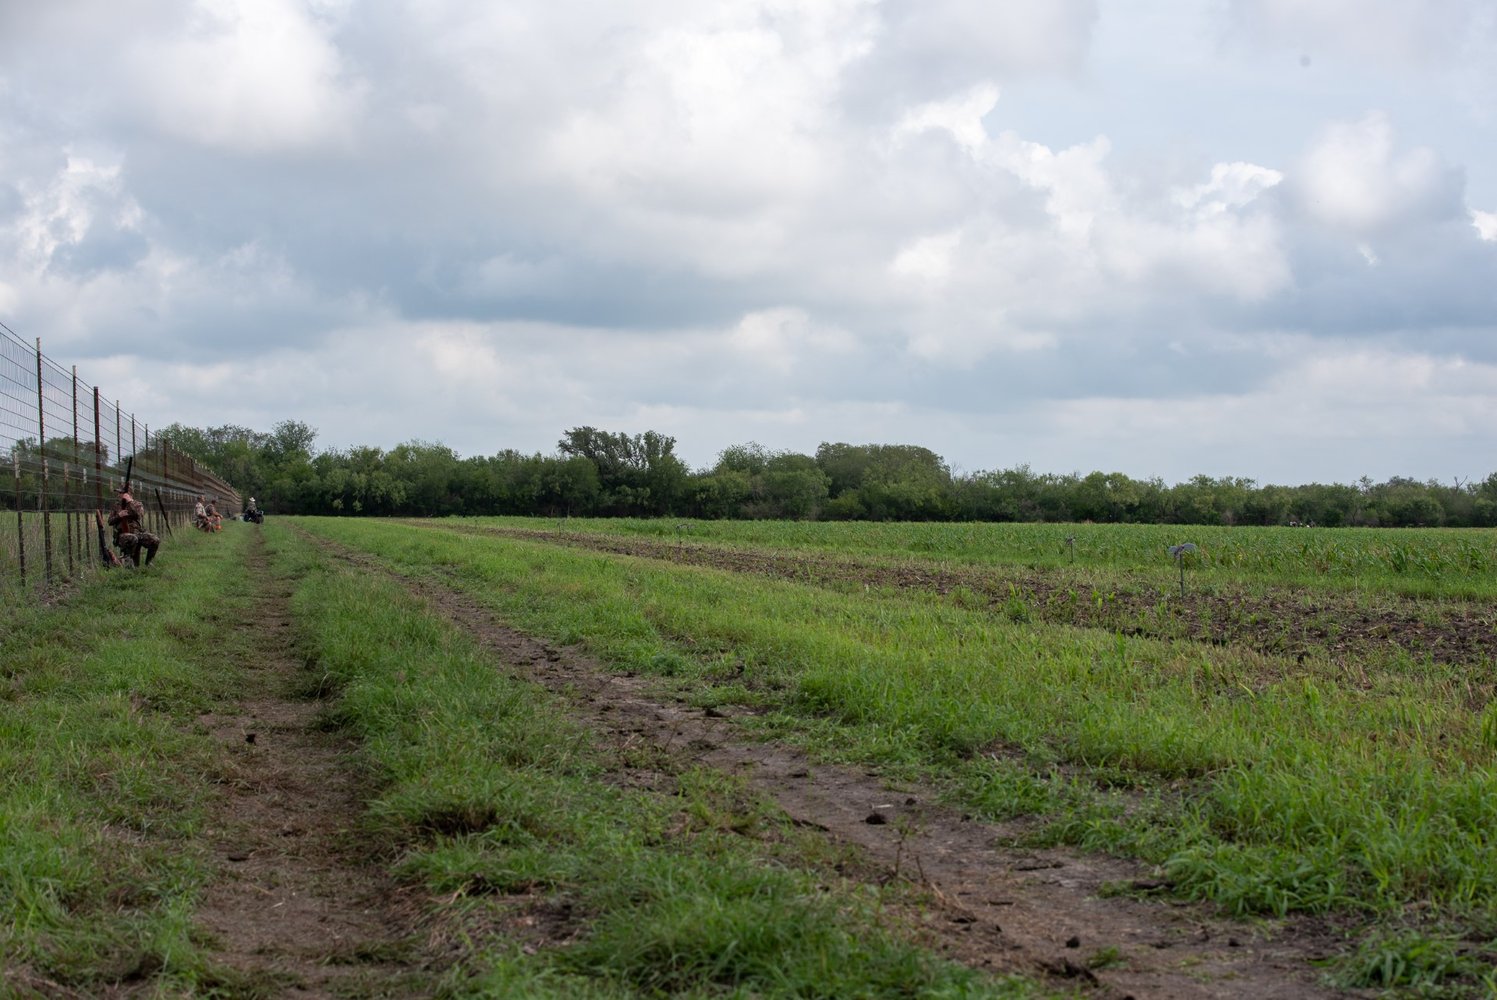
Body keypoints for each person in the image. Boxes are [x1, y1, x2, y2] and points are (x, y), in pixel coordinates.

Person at [108, 486, 161, 566]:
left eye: (121, 493)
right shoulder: (116, 506)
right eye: (118, 493)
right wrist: (119, 515)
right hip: (122, 535)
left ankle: (148, 563)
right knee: (133, 538)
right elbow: (110, 521)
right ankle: (128, 563)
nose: (118, 495)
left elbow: (139, 515)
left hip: (137, 533)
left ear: (128, 494)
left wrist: (130, 502)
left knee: (155, 539)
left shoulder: (137, 504)